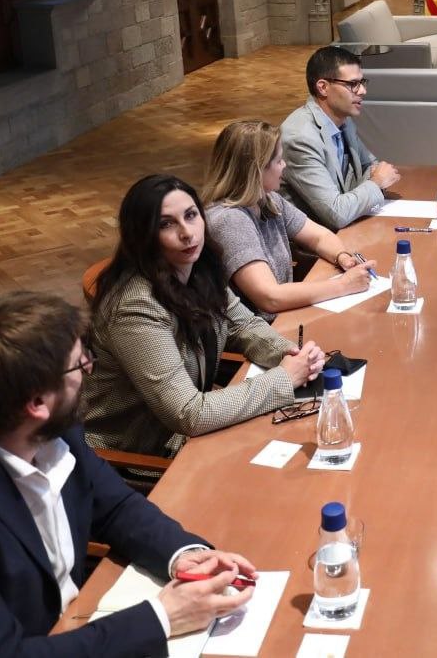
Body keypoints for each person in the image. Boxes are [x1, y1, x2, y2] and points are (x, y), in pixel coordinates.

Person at [0, 291, 258, 656]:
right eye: (79, 365)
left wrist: (183, 554)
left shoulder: (52, 433)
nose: (89, 370)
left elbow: (115, 507)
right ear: (36, 404)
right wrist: (163, 617)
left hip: (77, 627)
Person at [83, 174, 326, 458]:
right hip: (141, 451)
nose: (187, 233)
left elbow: (243, 325)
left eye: (191, 215)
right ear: (143, 236)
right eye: (166, 224)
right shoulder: (135, 307)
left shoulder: (198, 269)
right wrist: (284, 379)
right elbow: (188, 414)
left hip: (192, 429)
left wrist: (290, 354)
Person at [202, 119, 377, 320]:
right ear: (257, 169)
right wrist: (343, 285)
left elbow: (319, 237)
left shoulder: (268, 199)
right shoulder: (230, 221)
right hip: (259, 333)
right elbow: (270, 298)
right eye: (278, 161)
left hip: (283, 318)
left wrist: (342, 256)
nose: (284, 165)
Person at [281, 45, 401, 230]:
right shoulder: (300, 138)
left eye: (362, 82)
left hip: (347, 228)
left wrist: (372, 180)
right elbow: (336, 214)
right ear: (323, 87)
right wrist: (376, 183)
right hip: (314, 243)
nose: (362, 91)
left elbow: (371, 166)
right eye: (353, 84)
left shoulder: (343, 120)